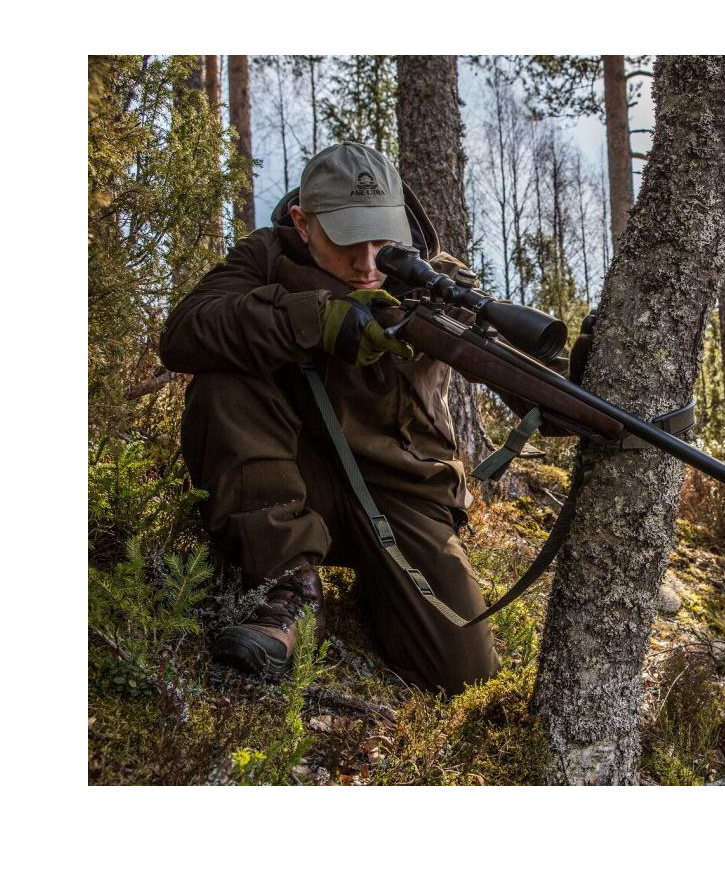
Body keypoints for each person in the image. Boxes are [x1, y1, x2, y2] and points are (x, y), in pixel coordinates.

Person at [160, 143, 501, 695]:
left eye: (382, 241)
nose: (367, 263)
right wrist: (310, 320)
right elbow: (183, 333)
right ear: (303, 223)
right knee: (221, 379)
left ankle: (381, 588)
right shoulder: (264, 256)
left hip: (404, 491)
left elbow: (509, 355)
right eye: (347, 240)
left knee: (463, 673)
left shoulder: (437, 279)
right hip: (291, 474)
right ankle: (288, 592)